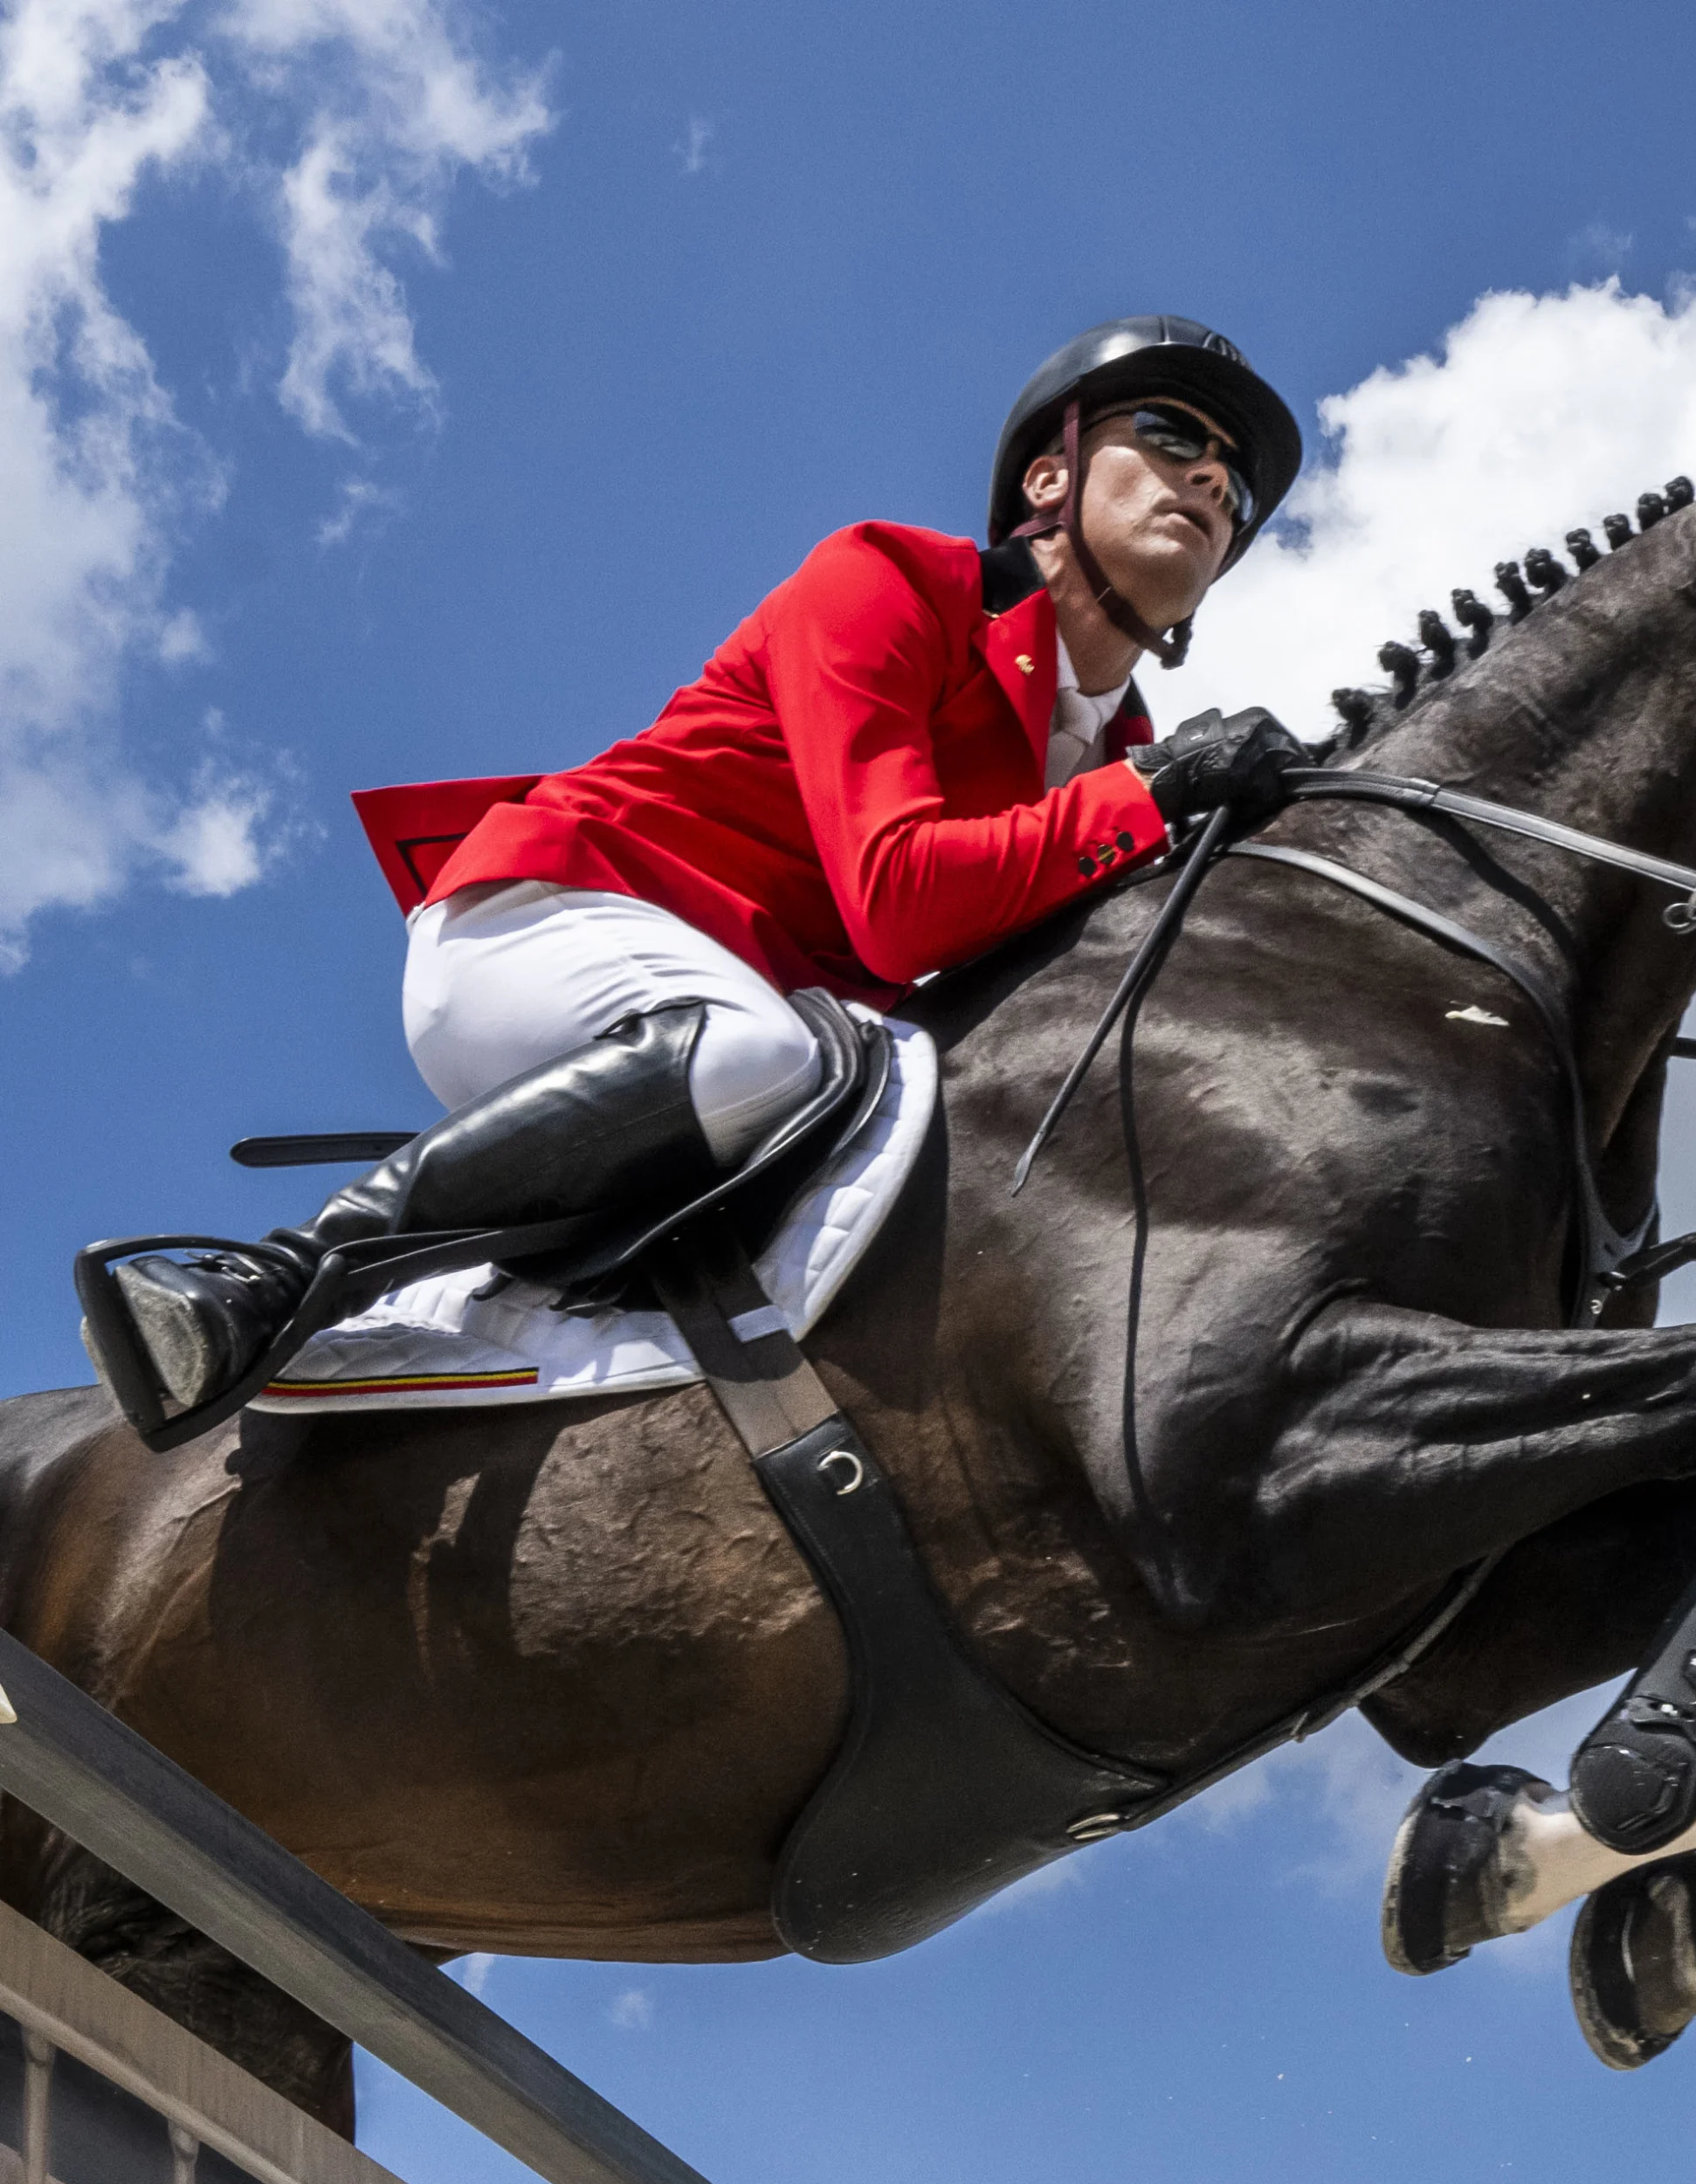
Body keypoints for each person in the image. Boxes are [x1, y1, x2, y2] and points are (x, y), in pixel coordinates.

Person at [86, 316, 1311, 1435]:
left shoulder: (1132, 760)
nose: (1211, 478)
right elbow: (901, 908)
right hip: (551, 920)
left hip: (767, 1043)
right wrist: (1149, 803)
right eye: (1171, 435)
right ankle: (275, 1279)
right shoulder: (892, 580)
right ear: (1051, 475)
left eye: (1234, 481)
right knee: (751, 1051)